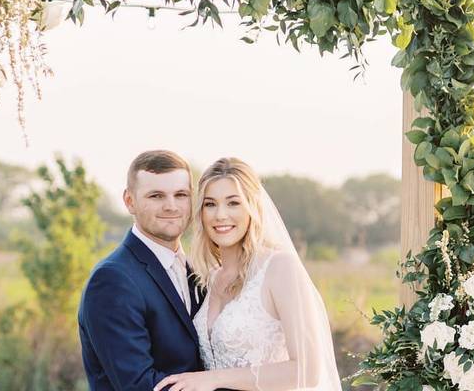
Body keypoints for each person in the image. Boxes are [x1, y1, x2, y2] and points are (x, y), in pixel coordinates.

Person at [154, 157, 342, 391]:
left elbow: (308, 371)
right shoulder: (209, 279)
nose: (220, 215)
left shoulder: (279, 267)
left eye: (233, 203)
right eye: (210, 204)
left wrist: (214, 379)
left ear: (252, 207)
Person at [78, 150, 205, 391]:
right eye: (156, 196)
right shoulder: (112, 280)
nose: (171, 206)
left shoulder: (197, 270)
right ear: (129, 201)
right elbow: (139, 385)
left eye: (181, 195)